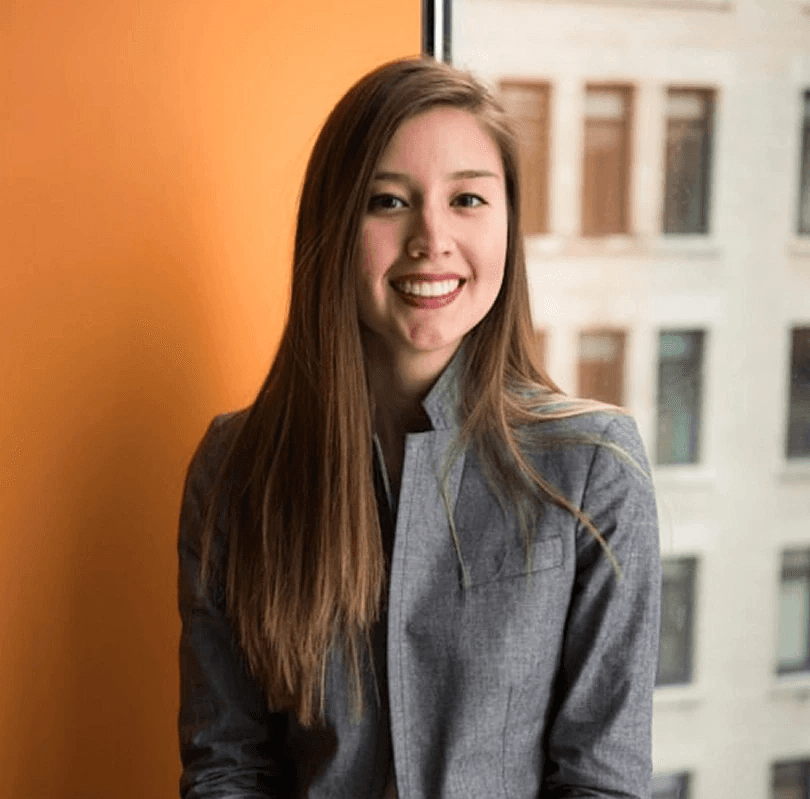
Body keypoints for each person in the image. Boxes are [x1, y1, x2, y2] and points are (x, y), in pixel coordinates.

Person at [177, 57, 661, 799]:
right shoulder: (237, 468)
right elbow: (228, 767)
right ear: (334, 226)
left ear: (508, 224)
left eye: (467, 198)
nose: (431, 237)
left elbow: (602, 780)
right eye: (388, 201)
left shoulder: (595, 467)